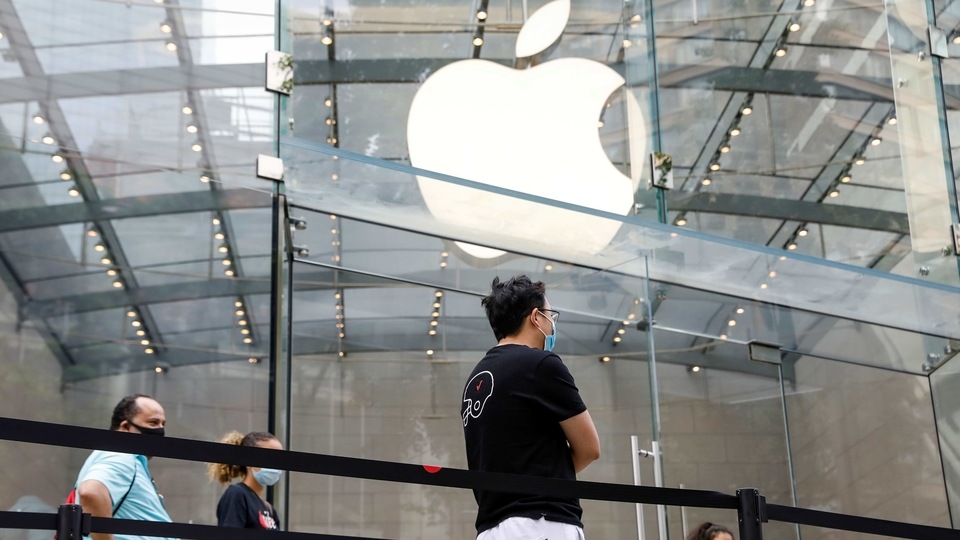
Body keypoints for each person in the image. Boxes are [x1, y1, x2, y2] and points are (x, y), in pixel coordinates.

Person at [461, 275, 601, 540]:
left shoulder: (476, 378)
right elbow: (590, 448)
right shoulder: (540, 364)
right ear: (536, 317)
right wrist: (551, 479)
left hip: (491, 528)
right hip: (542, 522)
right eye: (551, 316)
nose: (552, 325)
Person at [74, 394, 174, 540]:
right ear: (125, 427)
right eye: (153, 423)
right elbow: (91, 492)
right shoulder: (121, 456)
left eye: (162, 424)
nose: (160, 431)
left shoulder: (110, 455)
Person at [208, 431, 282, 530]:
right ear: (249, 459)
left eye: (279, 459)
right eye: (269, 457)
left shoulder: (269, 509)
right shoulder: (237, 494)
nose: (275, 464)